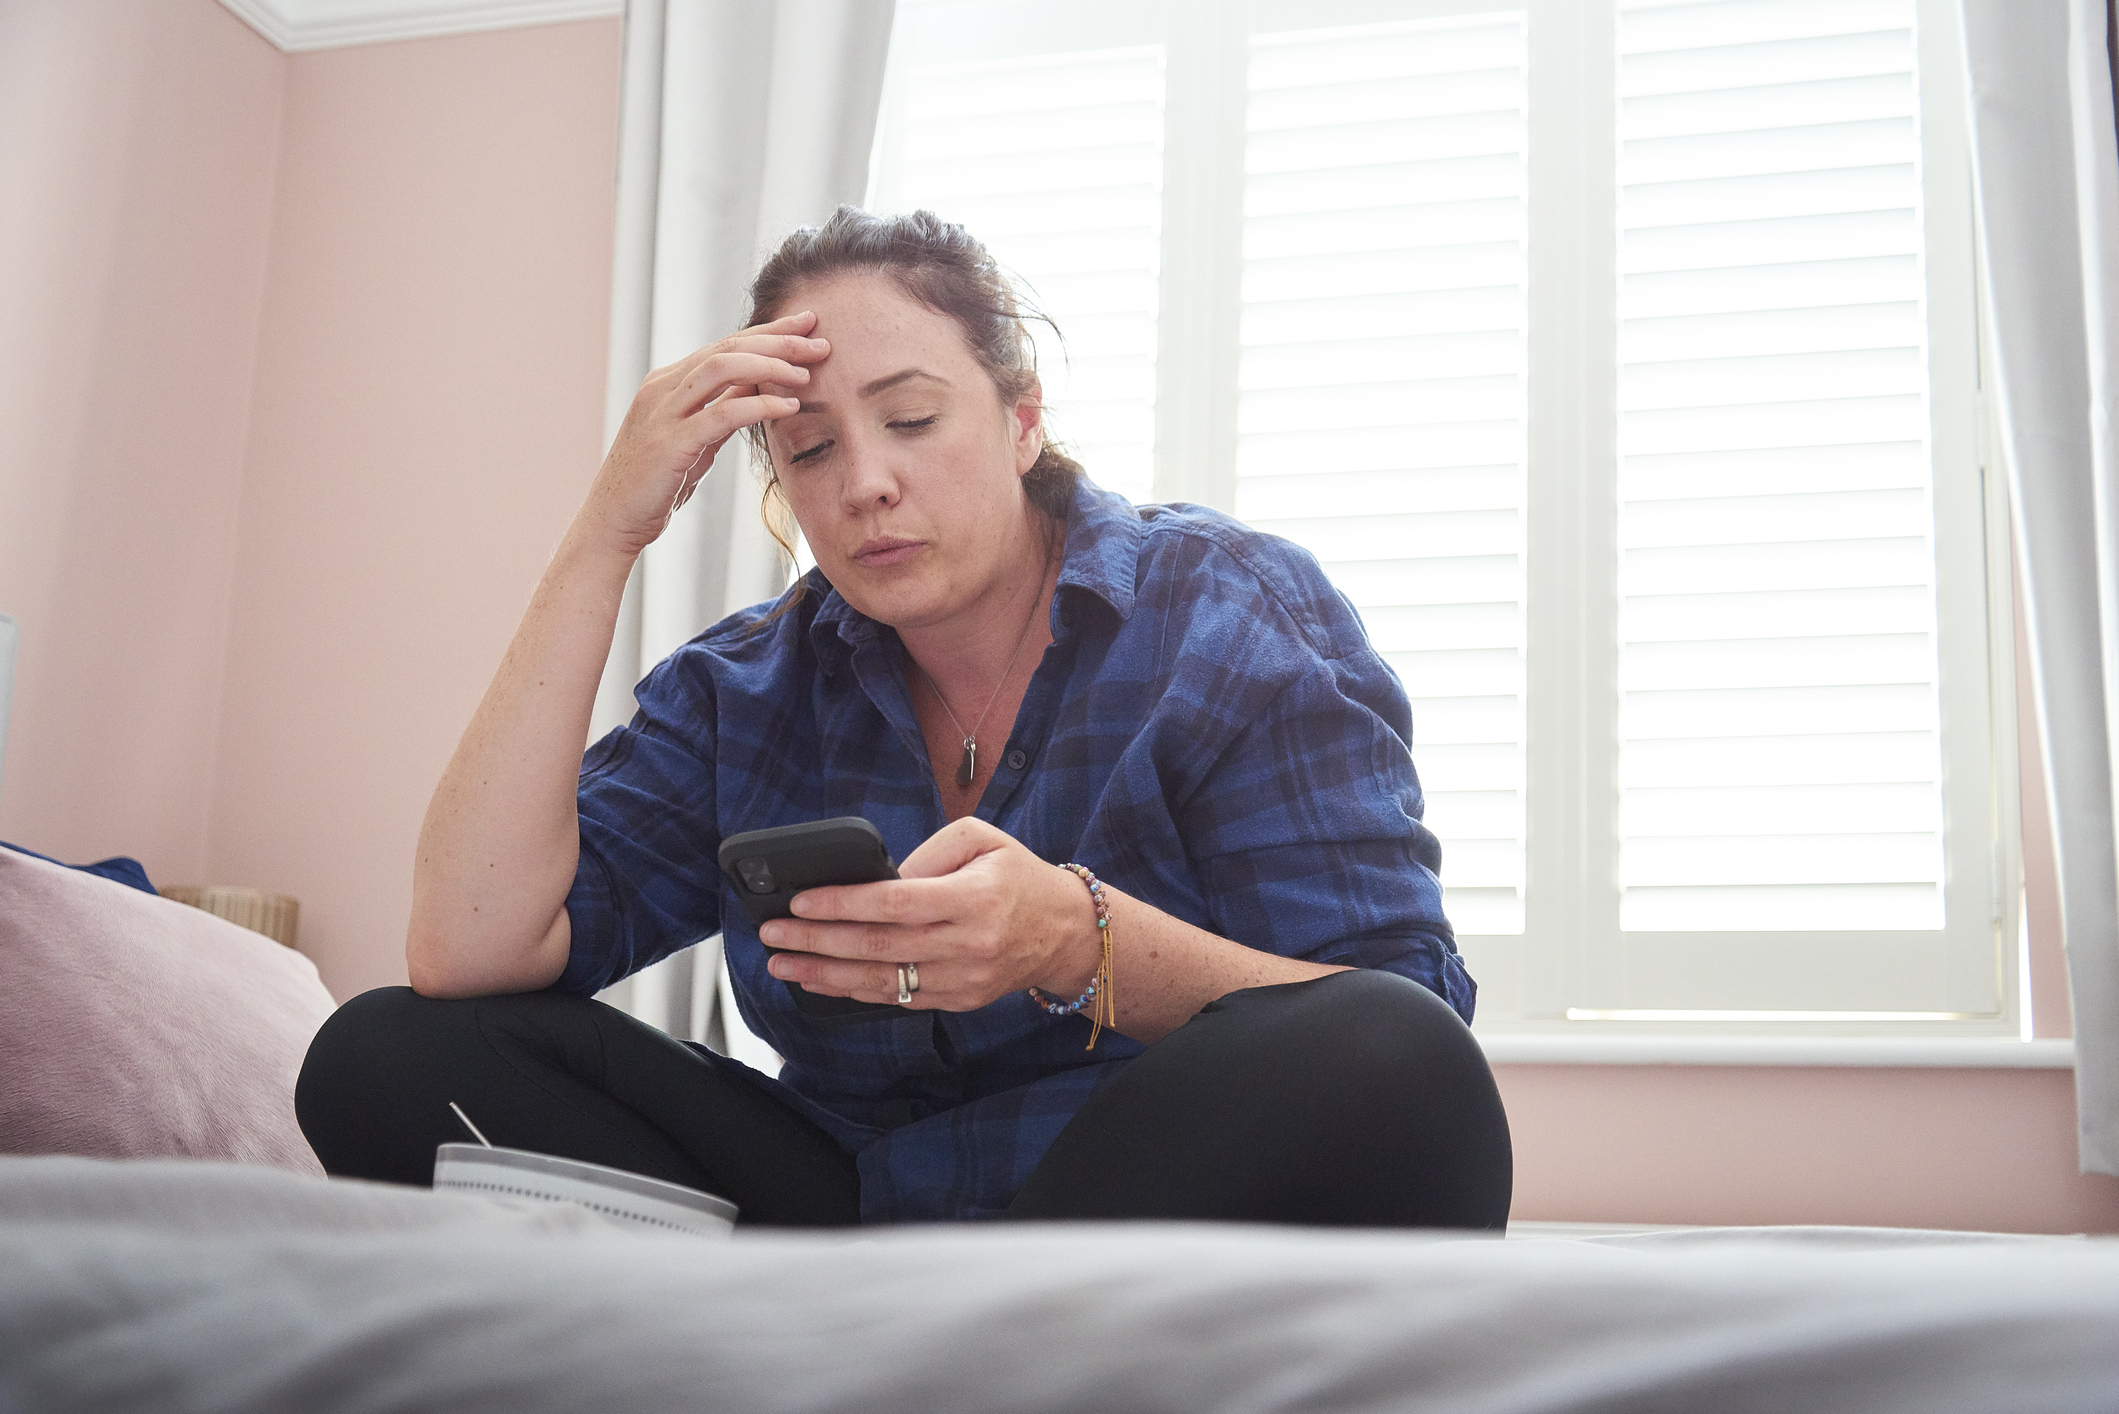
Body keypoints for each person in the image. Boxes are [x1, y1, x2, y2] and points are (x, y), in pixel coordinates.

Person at [296, 206, 1513, 1229]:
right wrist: (606, 532)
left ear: (1021, 418)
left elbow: (1399, 1013)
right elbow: (466, 948)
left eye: (913, 419)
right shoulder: (746, 686)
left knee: (1390, 1058)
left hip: (1131, 1211)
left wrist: (1068, 942)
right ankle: (874, 1358)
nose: (864, 481)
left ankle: (940, 1363)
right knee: (383, 1052)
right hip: (835, 1215)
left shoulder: (1221, 611)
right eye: (809, 448)